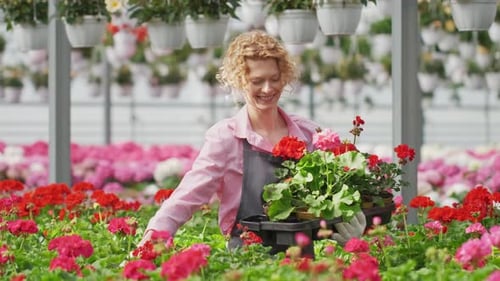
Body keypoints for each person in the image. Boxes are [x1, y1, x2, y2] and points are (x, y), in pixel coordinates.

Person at [138, 30, 366, 254]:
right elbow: (185, 199)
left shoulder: (306, 132)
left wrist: (354, 230)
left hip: (303, 260)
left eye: (274, 79)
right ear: (239, 81)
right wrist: (148, 246)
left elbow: (339, 187)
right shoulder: (225, 138)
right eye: (257, 81)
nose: (268, 89)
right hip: (246, 261)